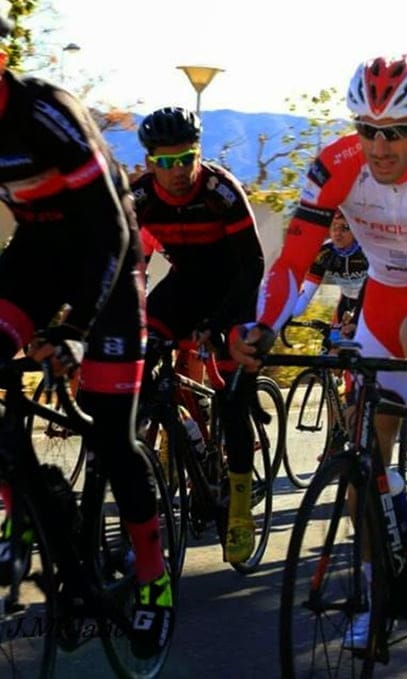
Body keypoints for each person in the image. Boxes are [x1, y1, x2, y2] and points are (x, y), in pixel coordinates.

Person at [230, 56, 407, 573]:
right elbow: (293, 262)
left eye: (395, 133)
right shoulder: (335, 165)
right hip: (384, 291)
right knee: (361, 452)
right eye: (367, 130)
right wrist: (266, 326)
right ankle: (374, 591)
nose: (379, 147)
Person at [0, 21, 172, 657]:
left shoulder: (46, 113)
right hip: (34, 259)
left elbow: (111, 233)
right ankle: (29, 511)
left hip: (107, 261)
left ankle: (154, 585)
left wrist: (73, 329)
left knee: (110, 435)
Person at [132, 106, 265, 564]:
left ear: (198, 153)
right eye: (164, 162)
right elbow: (129, 266)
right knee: (137, 353)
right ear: (150, 162)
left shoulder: (220, 191)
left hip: (233, 289)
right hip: (186, 284)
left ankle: (241, 506)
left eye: (185, 158)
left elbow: (253, 266)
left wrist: (219, 323)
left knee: (231, 400)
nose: (177, 171)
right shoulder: (140, 199)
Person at [289, 209, 369, 337]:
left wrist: (355, 321)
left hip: (370, 303)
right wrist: (285, 315)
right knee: (331, 345)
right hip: (346, 301)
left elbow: (369, 290)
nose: (338, 233)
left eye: (345, 228)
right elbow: (306, 295)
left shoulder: (367, 251)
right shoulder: (324, 252)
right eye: (334, 227)